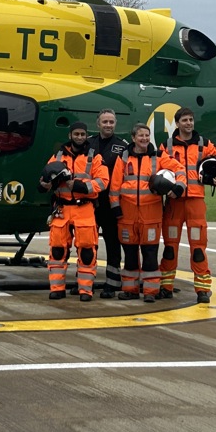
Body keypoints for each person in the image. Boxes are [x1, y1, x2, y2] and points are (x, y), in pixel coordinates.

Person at [158, 106, 216, 303]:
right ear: (177, 123)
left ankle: (202, 289)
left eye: (191, 120)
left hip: (196, 203)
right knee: (170, 247)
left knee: (198, 247)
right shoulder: (166, 146)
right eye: (185, 120)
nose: (189, 123)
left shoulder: (204, 144)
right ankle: (166, 286)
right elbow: (155, 167)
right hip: (174, 203)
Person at [109, 123, 186, 302]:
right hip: (126, 216)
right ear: (133, 138)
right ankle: (130, 290)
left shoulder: (159, 157)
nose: (144, 139)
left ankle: (150, 292)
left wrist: (179, 187)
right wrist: (115, 207)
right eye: (140, 136)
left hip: (151, 216)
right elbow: (114, 186)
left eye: (146, 135)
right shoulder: (123, 157)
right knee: (129, 254)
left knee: (150, 253)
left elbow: (180, 169)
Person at [37, 121, 109, 301]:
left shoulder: (95, 157)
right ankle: (57, 288)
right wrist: (43, 185)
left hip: (84, 208)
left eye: (82, 134)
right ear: (70, 136)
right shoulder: (58, 156)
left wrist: (78, 185)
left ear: (86, 136)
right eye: (76, 134)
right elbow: (44, 178)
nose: (79, 137)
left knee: (87, 251)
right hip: (62, 209)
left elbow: (103, 182)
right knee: (57, 251)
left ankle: (85, 290)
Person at [86, 108, 131, 297]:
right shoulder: (88, 143)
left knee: (113, 244)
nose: (108, 125)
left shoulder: (123, 146)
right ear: (98, 124)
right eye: (105, 122)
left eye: (111, 122)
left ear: (115, 124)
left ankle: (112, 284)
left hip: (111, 204)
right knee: (88, 243)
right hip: (90, 203)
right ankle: (86, 282)